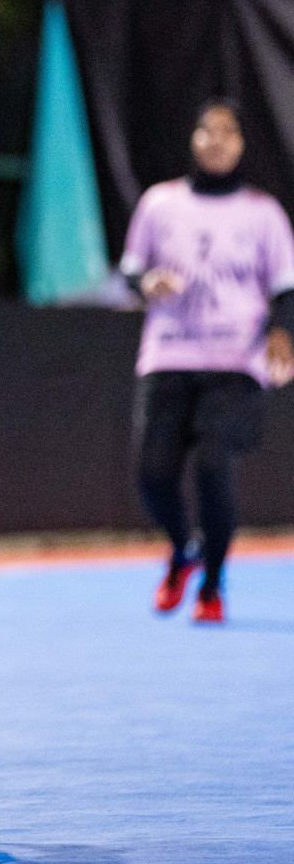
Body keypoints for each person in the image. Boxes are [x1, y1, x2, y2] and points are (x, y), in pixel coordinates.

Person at [120, 100, 294, 624]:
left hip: (236, 363)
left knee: (215, 467)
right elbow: (131, 270)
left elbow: (286, 288)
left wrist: (283, 332)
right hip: (169, 355)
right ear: (192, 139)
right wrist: (146, 282)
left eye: (229, 132)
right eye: (206, 130)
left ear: (242, 143)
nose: (217, 140)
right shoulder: (160, 203)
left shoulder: (264, 213)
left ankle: (213, 583)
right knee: (152, 476)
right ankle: (183, 549)